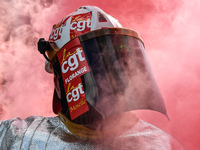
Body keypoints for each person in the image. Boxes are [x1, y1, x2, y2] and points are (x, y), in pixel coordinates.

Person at [0, 6, 185, 149]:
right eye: (94, 67)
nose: (106, 79)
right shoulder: (16, 138)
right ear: (59, 81)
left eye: (113, 65)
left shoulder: (164, 145)